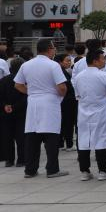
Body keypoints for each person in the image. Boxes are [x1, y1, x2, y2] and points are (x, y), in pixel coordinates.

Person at [15, 38, 69, 179]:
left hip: (33, 102)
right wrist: (59, 96)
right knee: (51, 137)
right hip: (49, 102)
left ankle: (30, 170)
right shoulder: (53, 65)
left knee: (32, 136)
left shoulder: (26, 65)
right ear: (49, 49)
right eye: (53, 48)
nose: (54, 50)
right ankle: (52, 169)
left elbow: (18, 85)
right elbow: (62, 87)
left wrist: (32, 92)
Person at [71, 48, 106, 180]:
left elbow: (78, 95)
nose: (105, 61)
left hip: (84, 112)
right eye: (103, 59)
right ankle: (103, 171)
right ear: (95, 61)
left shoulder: (78, 77)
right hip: (102, 112)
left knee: (84, 141)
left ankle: (84, 171)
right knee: (102, 140)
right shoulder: (104, 76)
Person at [0, 58, 26, 167]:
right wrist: (14, 107)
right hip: (21, 112)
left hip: (5, 112)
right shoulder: (23, 81)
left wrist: (5, 106)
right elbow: (25, 98)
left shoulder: (3, 80)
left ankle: (9, 160)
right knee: (21, 136)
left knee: (7, 136)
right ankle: (21, 160)